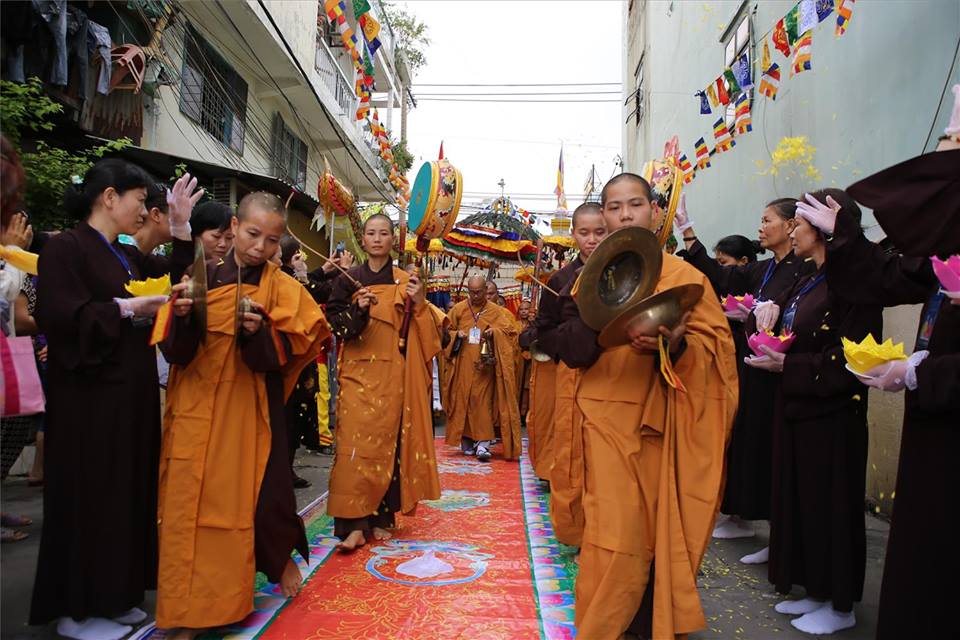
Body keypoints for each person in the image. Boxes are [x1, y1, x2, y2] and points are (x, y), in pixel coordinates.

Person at [794, 116, 960, 639]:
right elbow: (885, 277)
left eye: (951, 147)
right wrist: (845, 238)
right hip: (936, 420)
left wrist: (921, 371)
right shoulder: (945, 248)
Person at [555, 173, 738, 639]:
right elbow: (572, 351)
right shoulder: (590, 279)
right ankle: (610, 624)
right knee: (615, 532)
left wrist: (674, 346)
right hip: (608, 419)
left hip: (669, 424)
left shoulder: (686, 278)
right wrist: (600, 322)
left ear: (655, 212)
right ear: (604, 215)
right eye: (614, 207)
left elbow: (716, 353)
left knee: (662, 528)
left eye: (635, 204)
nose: (625, 215)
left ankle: (651, 623)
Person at [30, 161, 200, 640]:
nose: (144, 212)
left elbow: (177, 279)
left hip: (129, 396)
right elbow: (60, 317)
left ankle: (116, 595)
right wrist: (127, 309)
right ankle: (78, 610)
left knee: (126, 494)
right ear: (109, 197)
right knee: (91, 497)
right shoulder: (64, 248)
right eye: (139, 201)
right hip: (88, 403)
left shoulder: (124, 254)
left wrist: (181, 229)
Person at [156, 192, 329, 637]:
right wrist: (183, 316)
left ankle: (217, 607)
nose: (260, 247)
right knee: (184, 508)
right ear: (234, 227)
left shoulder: (281, 287)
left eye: (272, 240)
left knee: (230, 507)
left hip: (243, 410)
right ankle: (180, 606)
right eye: (253, 234)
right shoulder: (199, 278)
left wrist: (260, 333)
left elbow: (292, 350)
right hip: (193, 408)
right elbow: (175, 352)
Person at [744, 190, 880, 635]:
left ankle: (839, 604)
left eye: (799, 225)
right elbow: (791, 330)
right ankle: (814, 589)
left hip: (832, 414)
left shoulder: (853, 283)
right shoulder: (808, 278)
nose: (793, 232)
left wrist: (790, 365)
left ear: (823, 230)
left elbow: (852, 357)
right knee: (801, 502)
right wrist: (767, 321)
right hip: (799, 406)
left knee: (830, 507)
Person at [676, 197, 813, 560]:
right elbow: (721, 276)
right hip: (754, 369)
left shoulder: (804, 268)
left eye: (768, 220)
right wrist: (687, 230)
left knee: (774, 452)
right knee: (749, 443)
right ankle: (748, 518)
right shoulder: (765, 269)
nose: (760, 228)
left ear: (790, 226)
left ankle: (778, 536)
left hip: (785, 374)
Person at [325, 214, 441, 551]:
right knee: (353, 445)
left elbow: (428, 335)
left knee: (387, 445)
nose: (377, 239)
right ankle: (352, 524)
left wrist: (420, 303)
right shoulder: (347, 280)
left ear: (393, 240)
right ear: (362, 239)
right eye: (371, 233)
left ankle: (379, 517)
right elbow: (336, 326)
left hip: (393, 374)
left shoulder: (406, 281)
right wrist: (358, 310)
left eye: (384, 233)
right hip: (357, 373)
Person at [521, 202, 606, 545]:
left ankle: (605, 531)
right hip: (572, 374)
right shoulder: (560, 280)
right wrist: (570, 344)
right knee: (572, 451)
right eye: (584, 233)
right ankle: (576, 529)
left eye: (599, 232)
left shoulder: (623, 269)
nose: (592, 240)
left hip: (613, 375)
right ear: (573, 235)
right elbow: (545, 329)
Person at [444, 275, 522, 462]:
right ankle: (466, 441)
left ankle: (483, 444)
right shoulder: (459, 309)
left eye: (479, 292)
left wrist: (494, 333)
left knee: (482, 403)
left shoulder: (497, 311)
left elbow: (511, 334)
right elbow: (444, 332)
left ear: (485, 290)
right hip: (463, 365)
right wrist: (456, 335)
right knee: (463, 401)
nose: (476, 296)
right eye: (472, 292)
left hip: (485, 366)